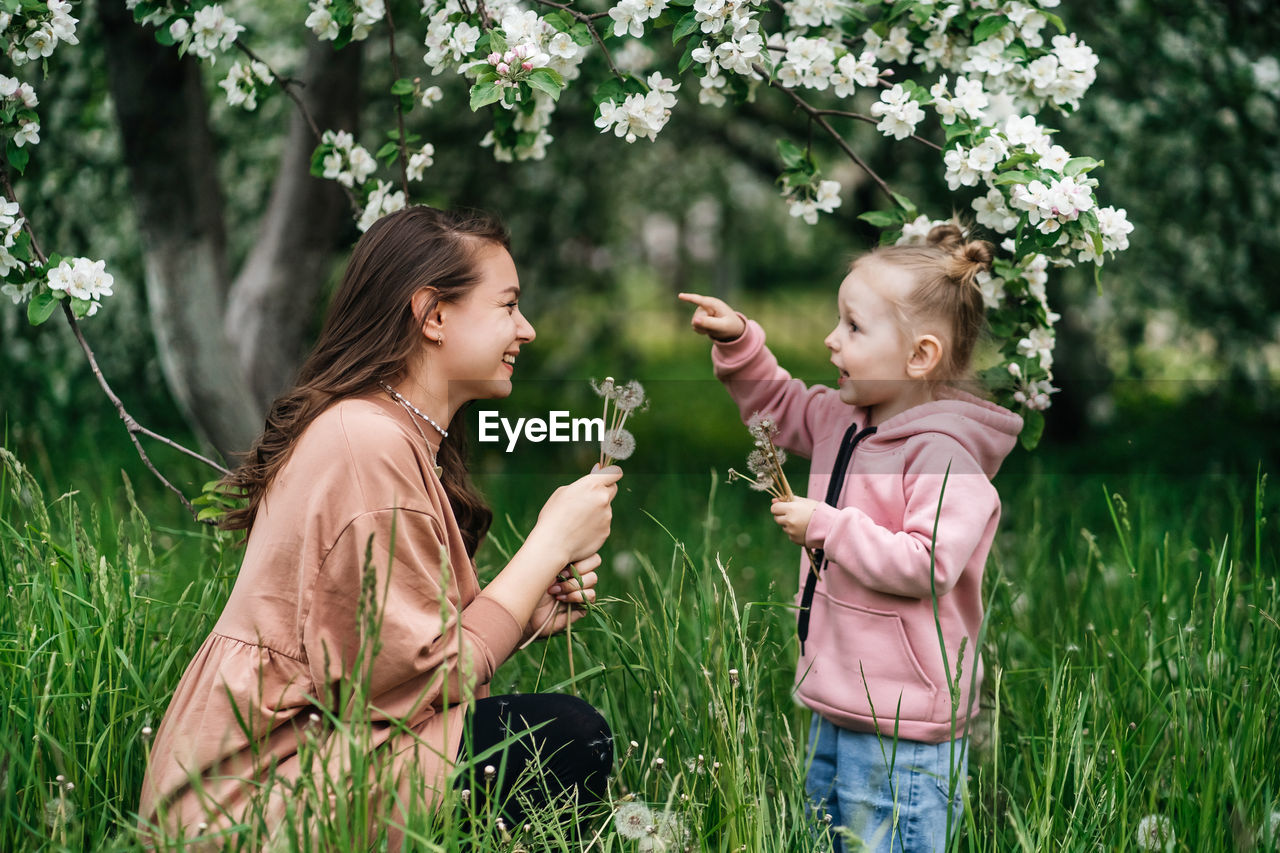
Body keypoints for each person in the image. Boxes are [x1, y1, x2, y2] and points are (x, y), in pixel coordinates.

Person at [139, 206, 623, 847]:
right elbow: (411, 686)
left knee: (540, 744)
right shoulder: (366, 442)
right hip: (246, 805)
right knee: (564, 739)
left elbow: (390, 671)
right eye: (508, 305)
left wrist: (524, 611)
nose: (526, 330)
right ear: (433, 315)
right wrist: (548, 545)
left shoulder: (381, 433)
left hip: (293, 769)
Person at [679, 223, 1022, 852]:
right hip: (837, 697)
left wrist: (829, 528)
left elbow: (927, 564)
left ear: (919, 356)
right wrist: (739, 342)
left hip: (905, 720)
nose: (831, 340)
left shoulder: (945, 456)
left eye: (854, 328)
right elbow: (777, 406)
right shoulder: (844, 419)